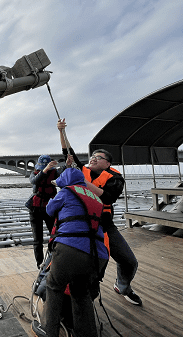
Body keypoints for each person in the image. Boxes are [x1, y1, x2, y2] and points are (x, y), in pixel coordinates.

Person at [58, 118, 142, 306]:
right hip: (80, 223)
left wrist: (80, 180)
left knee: (129, 262)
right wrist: (61, 131)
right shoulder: (82, 170)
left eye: (99, 157)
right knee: (86, 267)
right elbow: (67, 152)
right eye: (92, 156)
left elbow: (108, 198)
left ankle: (123, 286)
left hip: (104, 224)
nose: (93, 158)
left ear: (108, 164)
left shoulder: (116, 178)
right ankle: (72, 299)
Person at [33, 168, 109, 337]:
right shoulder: (96, 198)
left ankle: (48, 330)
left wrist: (56, 197)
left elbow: (49, 210)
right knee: (81, 293)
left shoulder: (67, 191)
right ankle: (88, 334)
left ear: (66, 181)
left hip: (71, 248)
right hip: (97, 254)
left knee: (54, 286)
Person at [26, 155, 59, 268]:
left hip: (50, 208)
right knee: (37, 239)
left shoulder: (55, 172)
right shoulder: (34, 173)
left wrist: (68, 164)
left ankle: (53, 259)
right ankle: (39, 263)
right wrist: (45, 170)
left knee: (54, 235)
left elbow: (66, 175)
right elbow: (35, 181)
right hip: (35, 208)